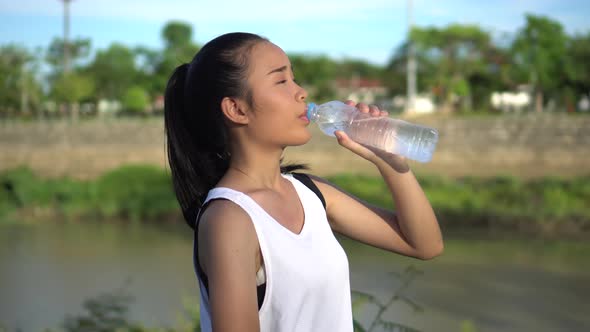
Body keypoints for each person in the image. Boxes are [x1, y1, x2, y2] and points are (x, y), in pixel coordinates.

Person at [164, 32, 443, 332]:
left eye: (294, 79)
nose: (301, 92)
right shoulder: (229, 219)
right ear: (237, 109)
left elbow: (423, 244)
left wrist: (388, 160)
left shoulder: (310, 192)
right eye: (281, 81)